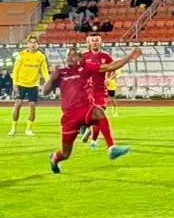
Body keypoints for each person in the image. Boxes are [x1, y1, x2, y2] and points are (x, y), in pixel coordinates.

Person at [52, 37, 140, 171]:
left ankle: (110, 147)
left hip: (88, 103)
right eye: (70, 56)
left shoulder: (87, 67)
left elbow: (110, 67)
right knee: (65, 154)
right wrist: (52, 78)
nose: (72, 58)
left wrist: (129, 56)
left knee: (99, 113)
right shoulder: (62, 72)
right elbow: (47, 90)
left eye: (75, 56)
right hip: (69, 116)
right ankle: (55, 157)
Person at [9, 35, 49, 137]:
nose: (33, 44)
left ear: (38, 44)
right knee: (17, 105)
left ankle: (28, 129)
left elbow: (44, 71)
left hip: (33, 85)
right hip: (21, 84)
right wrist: (14, 83)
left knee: (32, 107)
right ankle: (13, 128)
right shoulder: (21, 55)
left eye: (35, 43)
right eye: (31, 42)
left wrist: (48, 82)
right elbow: (15, 70)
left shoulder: (41, 56)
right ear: (27, 44)